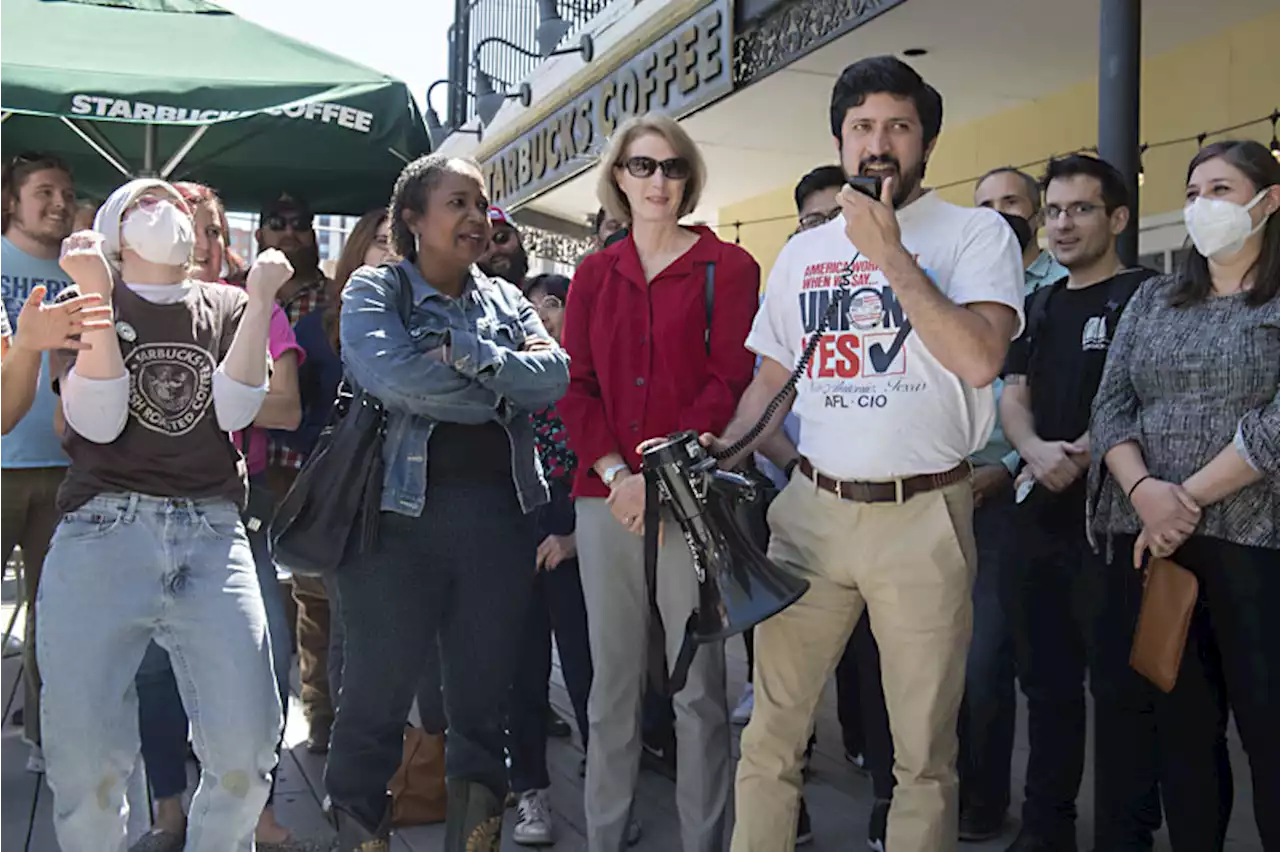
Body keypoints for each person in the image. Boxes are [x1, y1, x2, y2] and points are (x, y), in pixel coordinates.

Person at [705, 56, 1024, 852]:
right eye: (861, 128)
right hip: (811, 507)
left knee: (922, 755)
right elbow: (770, 383)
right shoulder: (802, 253)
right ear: (841, 141)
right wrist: (723, 456)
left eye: (897, 127)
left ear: (927, 142)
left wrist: (892, 256)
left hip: (924, 513)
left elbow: (982, 358)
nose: (878, 143)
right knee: (771, 735)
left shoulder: (976, 233)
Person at [326, 153, 569, 852]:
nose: (476, 217)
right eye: (457, 202)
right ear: (413, 218)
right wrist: (500, 391)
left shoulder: (505, 298)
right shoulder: (376, 291)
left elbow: (553, 378)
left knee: (479, 712)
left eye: (482, 204)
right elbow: (394, 379)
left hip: (497, 525)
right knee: (371, 706)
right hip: (391, 529)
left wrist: (463, 352)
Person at [39, 178, 290, 852]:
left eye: (176, 205)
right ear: (117, 233)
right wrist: (94, 296)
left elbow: (235, 412)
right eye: (146, 203)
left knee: (247, 747)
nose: (167, 212)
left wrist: (263, 298)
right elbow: (97, 417)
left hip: (211, 533)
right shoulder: (89, 297)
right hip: (101, 531)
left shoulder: (230, 302)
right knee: (83, 761)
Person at [559, 112, 760, 852]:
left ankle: (703, 841)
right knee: (611, 691)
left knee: (700, 691)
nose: (658, 181)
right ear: (618, 176)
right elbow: (574, 386)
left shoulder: (728, 270)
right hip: (604, 499)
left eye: (672, 168)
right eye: (642, 166)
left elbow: (729, 379)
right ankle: (605, 837)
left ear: (689, 178)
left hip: (692, 498)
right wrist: (618, 473)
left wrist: (656, 475)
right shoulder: (592, 274)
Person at [1089, 139, 1280, 851]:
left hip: (1260, 547)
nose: (1202, 207)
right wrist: (1143, 492)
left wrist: (1182, 499)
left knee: (1269, 734)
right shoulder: (1153, 298)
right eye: (1194, 192)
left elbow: (1276, 426)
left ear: (1269, 201)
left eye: (1221, 190)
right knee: (1184, 738)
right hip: (1164, 550)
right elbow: (1110, 408)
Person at [128, 181, 308, 852]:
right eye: (183, 228)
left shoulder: (248, 305)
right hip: (145, 509)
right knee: (154, 665)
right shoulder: (131, 306)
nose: (197, 243)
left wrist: (173, 390)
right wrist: (225, 391)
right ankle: (169, 808)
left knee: (265, 656)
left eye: (209, 229)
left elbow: (286, 407)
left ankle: (257, 810)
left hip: (239, 508)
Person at [1000, 154, 1161, 852]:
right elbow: (1012, 392)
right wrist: (1035, 451)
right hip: (1039, 519)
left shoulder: (1150, 298)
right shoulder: (1039, 303)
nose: (1063, 224)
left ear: (1118, 218)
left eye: (1081, 209)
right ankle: (1046, 831)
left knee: (1124, 695)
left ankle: (1125, 836)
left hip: (1118, 525)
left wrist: (1086, 452)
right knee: (1046, 687)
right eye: (1055, 211)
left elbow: (1153, 399)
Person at [507, 273, 596, 846]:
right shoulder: (510, 379)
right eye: (532, 307)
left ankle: (608, 792)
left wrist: (572, 538)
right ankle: (531, 794)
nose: (542, 314)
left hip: (578, 515)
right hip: (516, 523)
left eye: (554, 304)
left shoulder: (588, 376)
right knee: (521, 672)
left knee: (589, 669)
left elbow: (606, 461)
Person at [0, 151, 82, 771]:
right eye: (43, 191)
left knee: (57, 618)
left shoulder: (83, 275)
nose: (58, 202)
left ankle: (43, 739)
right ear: (12, 200)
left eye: (66, 192)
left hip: (66, 468)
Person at [256, 190, 337, 754]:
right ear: (260, 233)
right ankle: (251, 724)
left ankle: (322, 717)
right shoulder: (238, 294)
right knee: (257, 603)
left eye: (300, 223)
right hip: (253, 466)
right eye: (276, 223)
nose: (289, 232)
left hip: (315, 468)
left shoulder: (333, 300)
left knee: (317, 598)